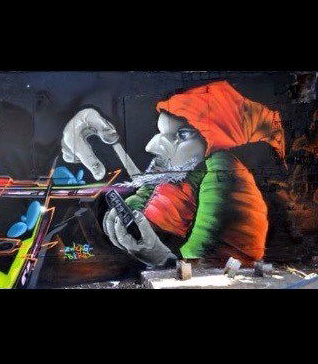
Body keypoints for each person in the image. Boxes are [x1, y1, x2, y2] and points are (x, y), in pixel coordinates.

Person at [62, 81, 286, 268]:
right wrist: (123, 221)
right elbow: (142, 201)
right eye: (161, 133)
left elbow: (210, 268)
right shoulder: (177, 172)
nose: (152, 146)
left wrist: (160, 258)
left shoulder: (224, 176)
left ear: (213, 140)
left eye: (183, 135)